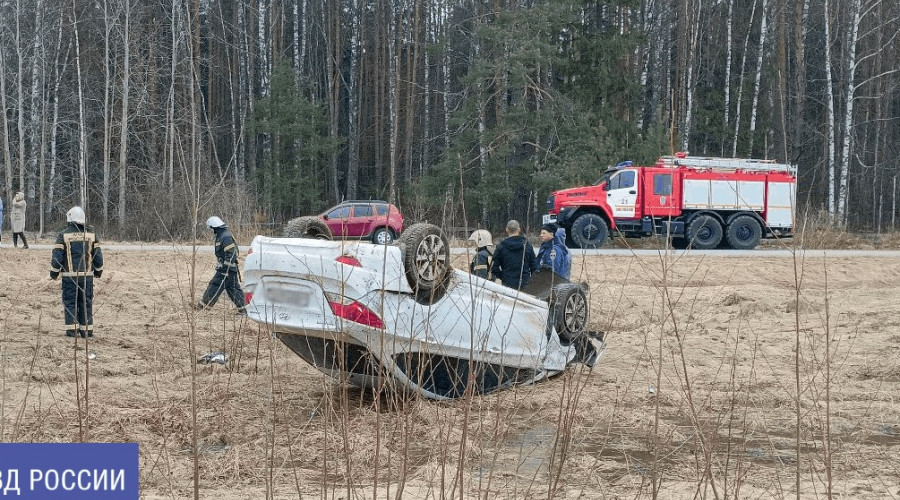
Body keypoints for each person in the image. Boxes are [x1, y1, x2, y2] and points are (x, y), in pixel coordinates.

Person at [50, 207, 104, 338]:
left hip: (70, 278)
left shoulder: (63, 235)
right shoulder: (91, 234)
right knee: (86, 303)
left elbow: (57, 257)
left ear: (69, 219)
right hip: (87, 278)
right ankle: (87, 331)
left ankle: (71, 332)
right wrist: (98, 271)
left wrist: (54, 273)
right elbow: (98, 256)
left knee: (70, 303)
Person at [197, 216, 247, 314]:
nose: (211, 230)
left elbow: (231, 254)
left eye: (211, 228)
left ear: (215, 227)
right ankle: (243, 310)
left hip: (227, 269)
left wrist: (225, 268)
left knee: (215, 285)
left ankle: (204, 306)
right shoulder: (222, 235)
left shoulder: (225, 237)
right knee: (233, 289)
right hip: (227, 268)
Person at [491, 220, 538, 290]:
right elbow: (534, 267)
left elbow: (494, 267)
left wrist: (503, 276)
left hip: (507, 283)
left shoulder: (501, 246)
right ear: (519, 229)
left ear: (507, 229)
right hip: (525, 282)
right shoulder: (527, 245)